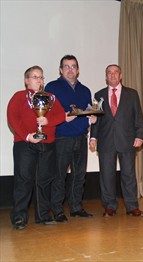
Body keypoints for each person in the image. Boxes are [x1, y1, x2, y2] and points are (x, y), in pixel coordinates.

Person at [7, 66, 65, 230]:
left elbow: (61, 114)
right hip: (25, 144)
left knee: (44, 181)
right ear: (26, 80)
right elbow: (13, 118)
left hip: (47, 144)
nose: (39, 80)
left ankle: (43, 215)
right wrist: (27, 136)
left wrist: (48, 121)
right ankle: (19, 217)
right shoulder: (19, 97)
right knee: (23, 180)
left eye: (41, 77)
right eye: (35, 77)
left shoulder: (51, 98)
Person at [45, 55, 96, 222]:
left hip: (81, 137)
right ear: (60, 70)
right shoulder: (52, 87)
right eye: (66, 66)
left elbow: (88, 111)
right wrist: (61, 117)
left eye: (73, 66)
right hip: (61, 137)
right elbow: (46, 113)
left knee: (79, 175)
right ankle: (58, 210)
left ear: (78, 70)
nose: (70, 69)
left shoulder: (85, 90)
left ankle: (76, 207)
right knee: (59, 175)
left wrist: (93, 117)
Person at [89, 64, 143, 217]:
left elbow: (138, 117)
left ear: (120, 76)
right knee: (106, 176)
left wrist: (139, 136)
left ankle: (132, 206)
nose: (112, 75)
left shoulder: (132, 94)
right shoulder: (98, 94)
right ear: (106, 77)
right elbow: (96, 120)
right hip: (106, 141)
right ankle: (109, 206)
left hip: (127, 140)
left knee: (128, 174)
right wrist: (93, 137)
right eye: (109, 73)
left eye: (115, 72)